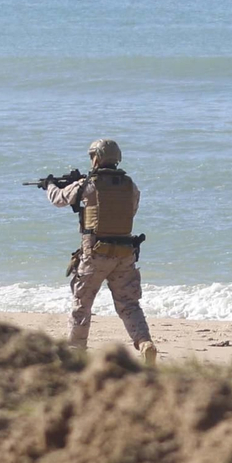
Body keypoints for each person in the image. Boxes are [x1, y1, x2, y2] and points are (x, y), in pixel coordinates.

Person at [47, 139, 156, 364]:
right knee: (129, 304)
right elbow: (131, 211)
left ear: (97, 157)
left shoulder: (88, 185)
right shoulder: (130, 185)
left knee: (82, 306)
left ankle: (76, 354)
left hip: (95, 255)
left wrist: (50, 185)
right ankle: (145, 342)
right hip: (125, 253)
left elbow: (59, 199)